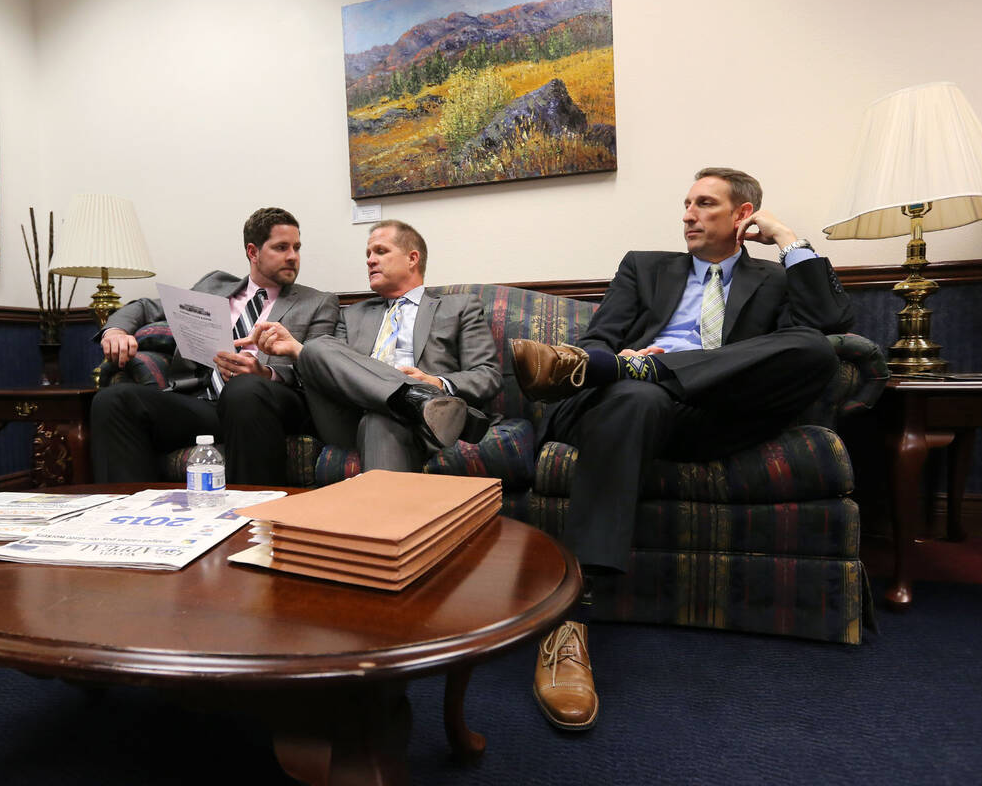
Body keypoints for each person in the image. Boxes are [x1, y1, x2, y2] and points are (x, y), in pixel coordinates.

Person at [509, 167, 854, 731]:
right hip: (626, 408)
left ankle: (648, 367)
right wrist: (616, 363)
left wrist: (787, 237)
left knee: (814, 351)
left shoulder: (773, 280)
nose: (688, 215)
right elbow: (596, 340)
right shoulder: (644, 266)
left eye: (706, 204)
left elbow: (832, 322)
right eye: (687, 204)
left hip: (715, 417)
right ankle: (567, 622)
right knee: (635, 397)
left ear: (744, 216)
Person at [91, 207, 340, 485]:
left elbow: (318, 367)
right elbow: (146, 307)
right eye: (281, 247)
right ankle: (134, 514)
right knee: (113, 401)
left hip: (273, 401)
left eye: (296, 247)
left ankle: (251, 513)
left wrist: (265, 374)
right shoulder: (214, 285)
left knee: (244, 389)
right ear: (253, 252)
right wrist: (115, 330)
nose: (293, 256)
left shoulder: (317, 302)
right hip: (206, 404)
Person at [242, 219, 500, 471]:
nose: (370, 260)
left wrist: (437, 383)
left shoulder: (459, 307)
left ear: (412, 258)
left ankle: (415, 400)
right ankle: (415, 398)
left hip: (426, 426)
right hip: (350, 417)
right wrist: (298, 350)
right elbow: (325, 371)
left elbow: (487, 374)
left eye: (381, 251)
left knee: (380, 419)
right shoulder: (350, 314)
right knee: (317, 346)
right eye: (368, 254)